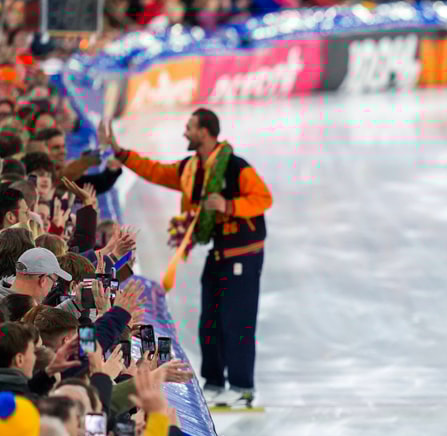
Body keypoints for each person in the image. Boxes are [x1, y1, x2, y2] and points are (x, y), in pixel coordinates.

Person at [101, 109, 273, 409]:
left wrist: (229, 205)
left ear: (204, 132)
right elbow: (155, 171)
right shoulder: (191, 169)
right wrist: (121, 153)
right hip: (218, 253)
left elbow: (263, 198)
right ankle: (215, 382)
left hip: (243, 255)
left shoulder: (236, 167)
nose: (185, 132)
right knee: (210, 321)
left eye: (189, 127)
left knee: (237, 321)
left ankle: (242, 387)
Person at [0, 249, 71, 304]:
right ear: (43, 280)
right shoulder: (19, 313)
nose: (50, 290)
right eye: (54, 283)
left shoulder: (8, 305)